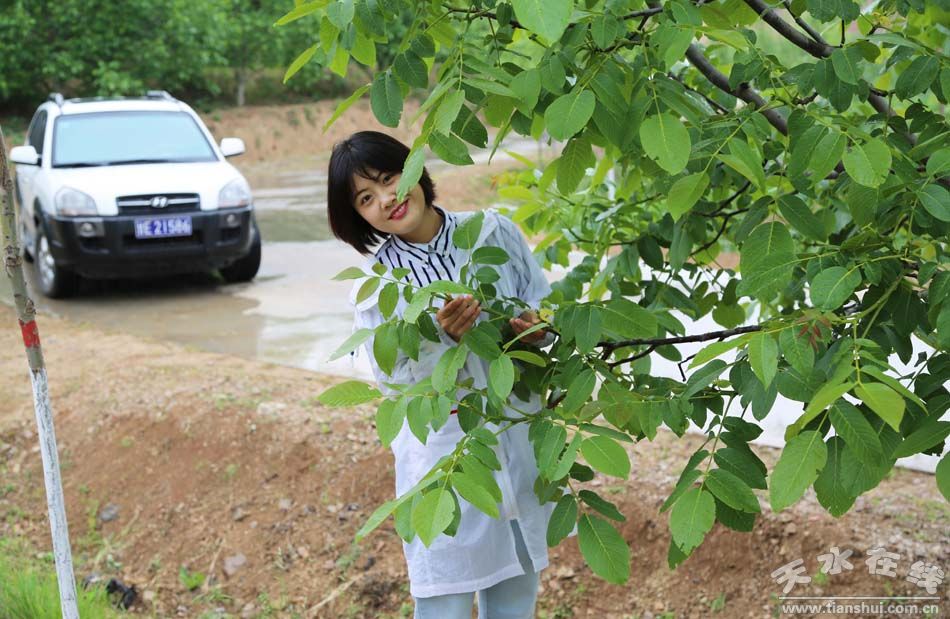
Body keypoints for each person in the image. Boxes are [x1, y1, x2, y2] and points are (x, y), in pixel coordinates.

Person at [328, 130, 556, 619]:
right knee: (443, 601)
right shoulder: (377, 286)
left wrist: (537, 334)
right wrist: (441, 341)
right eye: (365, 198)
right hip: (444, 462)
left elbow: (541, 303)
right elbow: (392, 384)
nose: (386, 199)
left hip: (515, 437)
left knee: (516, 597)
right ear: (357, 217)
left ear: (415, 170)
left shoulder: (493, 233)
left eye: (390, 179)